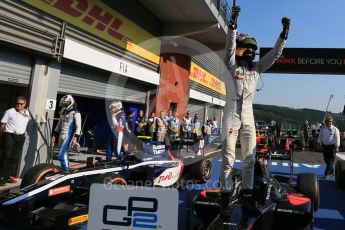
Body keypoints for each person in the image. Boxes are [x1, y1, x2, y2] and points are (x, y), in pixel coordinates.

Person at [220, 5, 290, 215]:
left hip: (249, 116)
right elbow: (229, 48)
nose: (251, 50)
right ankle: (225, 196)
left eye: (253, 47)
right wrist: (233, 25)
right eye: (248, 46)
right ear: (242, 46)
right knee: (228, 158)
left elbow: (275, 55)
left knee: (250, 158)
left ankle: (247, 196)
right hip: (231, 114)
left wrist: (283, 35)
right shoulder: (231, 65)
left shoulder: (257, 68)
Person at [0, 96, 30, 185]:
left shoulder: (27, 113)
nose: (19, 105)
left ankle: (7, 176)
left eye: (21, 104)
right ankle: (1, 177)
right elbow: (2, 124)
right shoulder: (10, 112)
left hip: (20, 136)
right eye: (17, 103)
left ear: (25, 104)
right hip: (10, 135)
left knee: (14, 157)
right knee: (6, 156)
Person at [52, 95, 81, 171]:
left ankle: (66, 171)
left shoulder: (76, 113)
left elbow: (78, 127)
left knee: (61, 156)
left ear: (70, 103)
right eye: (63, 105)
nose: (64, 106)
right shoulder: (63, 113)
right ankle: (64, 169)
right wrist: (54, 135)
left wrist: (75, 139)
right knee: (64, 155)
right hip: (61, 135)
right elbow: (58, 125)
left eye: (65, 104)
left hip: (68, 136)